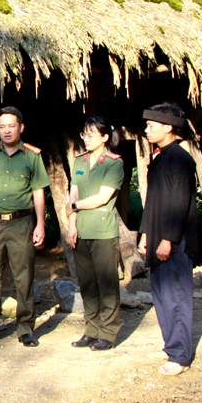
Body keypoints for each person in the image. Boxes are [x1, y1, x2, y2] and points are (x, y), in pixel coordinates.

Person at [0, 106, 50, 348]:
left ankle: (25, 328)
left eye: (11, 126)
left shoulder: (32, 156)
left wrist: (40, 224)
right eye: (2, 126)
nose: (6, 130)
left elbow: (38, 191)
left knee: (24, 278)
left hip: (22, 224)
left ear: (21, 128)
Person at [137, 102, 199, 377]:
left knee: (176, 297)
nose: (147, 130)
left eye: (152, 126)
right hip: (158, 235)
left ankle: (180, 355)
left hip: (175, 240)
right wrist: (146, 233)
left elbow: (181, 203)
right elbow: (153, 202)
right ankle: (170, 344)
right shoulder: (161, 156)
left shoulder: (181, 159)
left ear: (168, 127)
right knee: (161, 295)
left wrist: (169, 239)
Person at [66, 116, 125, 351]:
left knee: (107, 284)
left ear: (105, 137)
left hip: (102, 231)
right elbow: (73, 193)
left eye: (91, 135)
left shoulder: (113, 163)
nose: (86, 139)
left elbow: (103, 197)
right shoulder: (79, 161)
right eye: (84, 134)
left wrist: (74, 207)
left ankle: (108, 333)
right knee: (87, 283)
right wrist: (71, 224)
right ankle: (91, 330)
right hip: (80, 229)